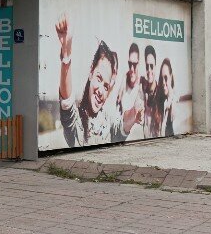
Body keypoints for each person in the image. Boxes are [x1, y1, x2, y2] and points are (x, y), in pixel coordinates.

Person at [56, 16, 124, 147]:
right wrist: (66, 55)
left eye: (106, 86)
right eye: (99, 78)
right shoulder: (76, 123)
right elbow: (67, 102)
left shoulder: (108, 123)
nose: (101, 91)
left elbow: (122, 128)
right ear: (91, 72)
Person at [116, 43, 145, 138]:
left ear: (139, 63)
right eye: (130, 64)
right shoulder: (123, 82)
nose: (132, 68)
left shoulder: (143, 84)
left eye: (135, 64)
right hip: (123, 136)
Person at [151, 58, 176, 137]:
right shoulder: (162, 104)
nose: (163, 83)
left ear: (171, 77)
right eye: (162, 79)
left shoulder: (175, 103)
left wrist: (171, 101)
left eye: (166, 78)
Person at [142, 45, 159, 138]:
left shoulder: (161, 93)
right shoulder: (143, 92)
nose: (149, 70)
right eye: (147, 66)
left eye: (151, 66)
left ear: (156, 66)